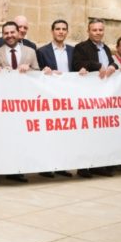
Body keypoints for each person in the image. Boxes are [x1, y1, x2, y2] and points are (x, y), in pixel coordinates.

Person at [0, 21, 38, 183]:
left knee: (20, 137)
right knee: (4, 136)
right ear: (3, 35)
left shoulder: (31, 52)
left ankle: (17, 170)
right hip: (4, 105)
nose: (9, 36)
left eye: (12, 32)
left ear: (18, 33)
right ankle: (0, 168)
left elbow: (38, 74)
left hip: (24, 103)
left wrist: (29, 70)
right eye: (6, 33)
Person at [72, 19, 118, 177]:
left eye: (100, 30)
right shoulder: (81, 47)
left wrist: (113, 66)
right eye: (95, 30)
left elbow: (112, 63)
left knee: (101, 132)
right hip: (88, 97)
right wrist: (97, 66)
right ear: (88, 31)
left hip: (105, 97)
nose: (98, 33)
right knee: (87, 132)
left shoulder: (105, 48)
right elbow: (77, 64)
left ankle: (98, 164)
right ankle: (83, 167)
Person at [36, 19, 75, 178]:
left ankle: (61, 166)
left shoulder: (73, 50)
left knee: (64, 133)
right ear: (52, 31)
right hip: (50, 98)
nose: (60, 32)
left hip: (68, 97)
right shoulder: (42, 51)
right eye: (57, 29)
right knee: (49, 133)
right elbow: (37, 72)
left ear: (67, 32)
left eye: (64, 29)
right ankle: (46, 167)